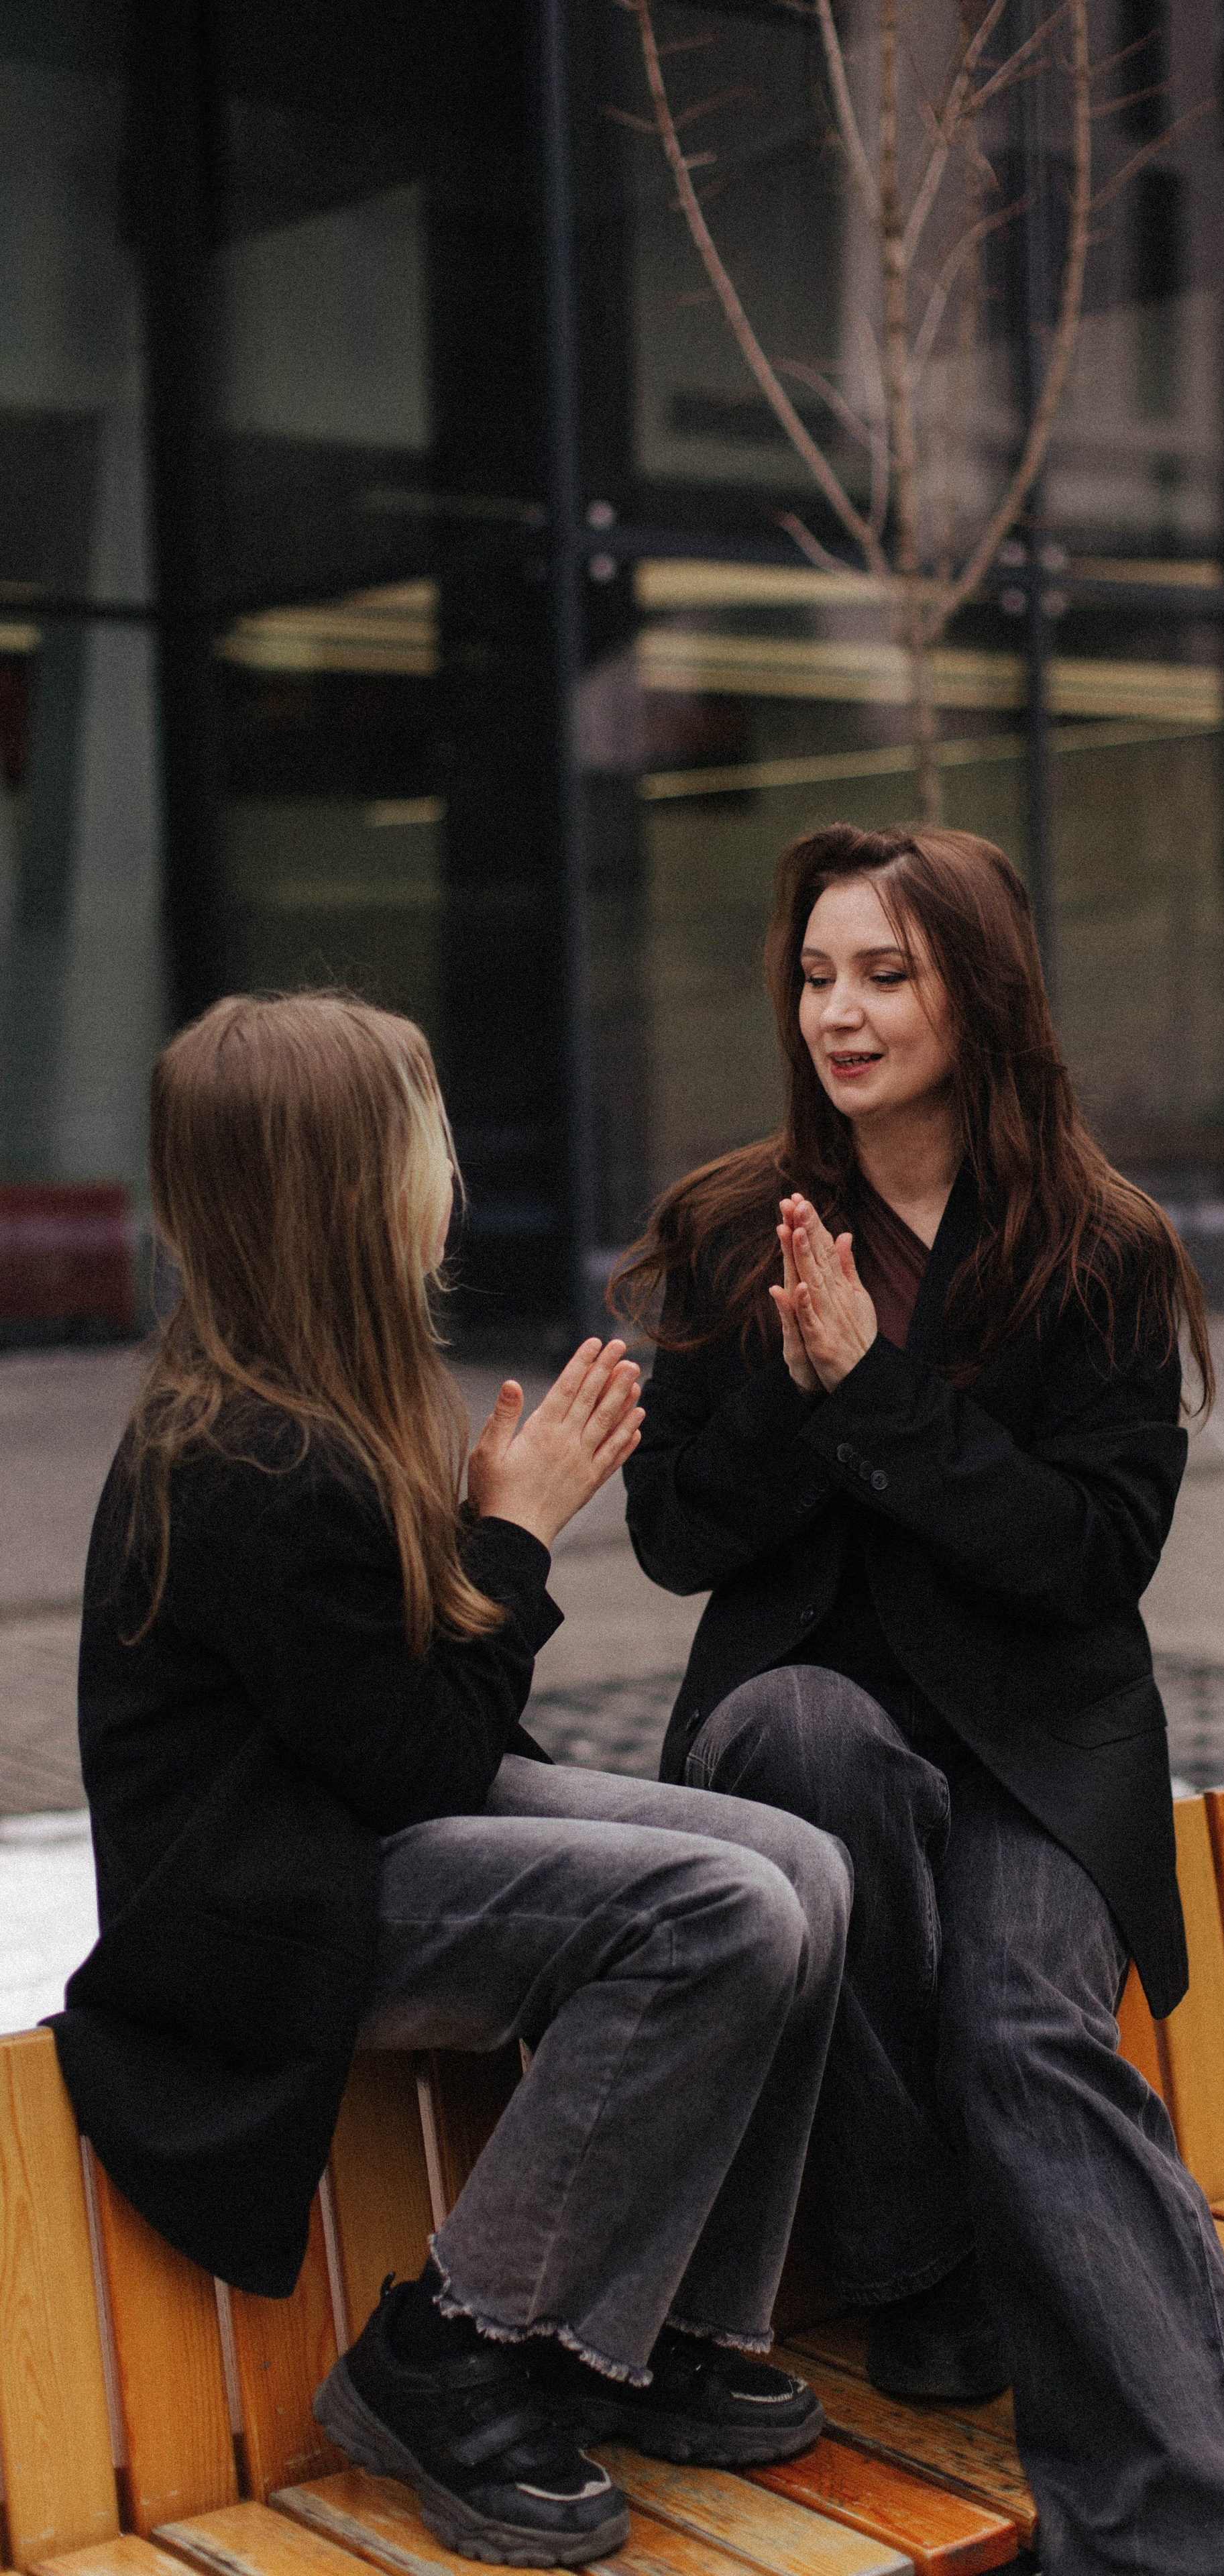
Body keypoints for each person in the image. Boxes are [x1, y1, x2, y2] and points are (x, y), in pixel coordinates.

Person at [54, 992, 853, 2570]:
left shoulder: (314, 1405)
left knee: (803, 1869)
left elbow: (404, 1738)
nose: (450, 1180)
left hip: (350, 1848)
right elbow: (418, 1758)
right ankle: (450, 2348)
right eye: (423, 1145)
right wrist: (517, 1537)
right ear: (345, 1190)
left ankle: (657, 2328)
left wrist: (486, 1538)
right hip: (255, 1924)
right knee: (716, 1913)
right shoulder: (247, 1455)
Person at [616, 826, 1224, 2576]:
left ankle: (1196, 2540)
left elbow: (1088, 1557)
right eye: (817, 974)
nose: (838, 1012)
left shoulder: (1096, 1254)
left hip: (1035, 1754)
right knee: (798, 1737)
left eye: (885, 975)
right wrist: (798, 1384)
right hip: (814, 1750)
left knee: (1021, 2035)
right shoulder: (728, 1231)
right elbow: (680, 1537)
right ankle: (923, 2267)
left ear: (976, 995)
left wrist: (879, 1393)